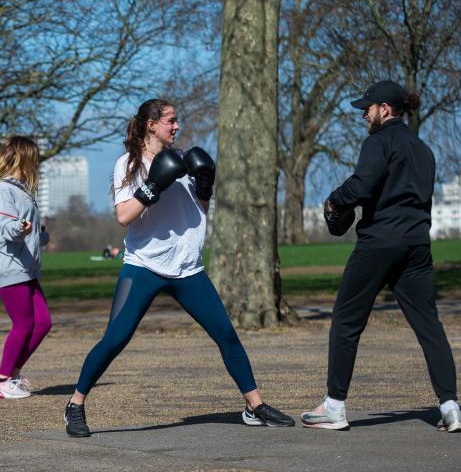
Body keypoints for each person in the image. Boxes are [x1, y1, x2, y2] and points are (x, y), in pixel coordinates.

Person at [63, 99, 295, 437]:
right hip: (144, 265)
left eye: (176, 120)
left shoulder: (184, 160)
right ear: (151, 125)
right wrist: (154, 184)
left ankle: (255, 406)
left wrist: (205, 184)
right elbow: (124, 216)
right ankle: (75, 405)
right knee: (116, 338)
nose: (176, 126)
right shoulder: (129, 164)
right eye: (170, 121)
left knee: (226, 334)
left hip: (187, 267)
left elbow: (199, 211)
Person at [302, 80, 461, 432]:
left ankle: (334, 407)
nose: (363, 114)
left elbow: (362, 185)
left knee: (346, 322)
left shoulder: (377, 142)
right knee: (429, 326)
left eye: (367, 108)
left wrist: (334, 200)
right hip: (417, 244)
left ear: (385, 109)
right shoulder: (423, 150)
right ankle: (450, 407)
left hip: (379, 243)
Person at [0, 136, 51, 399]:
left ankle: (12, 373)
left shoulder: (23, 190)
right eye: (35, 157)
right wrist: (20, 228)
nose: (38, 163)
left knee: (43, 323)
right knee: (23, 324)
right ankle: (1, 380)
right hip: (9, 267)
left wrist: (39, 235)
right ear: (25, 158)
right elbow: (7, 229)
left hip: (27, 267)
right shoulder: (3, 189)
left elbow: (26, 232)